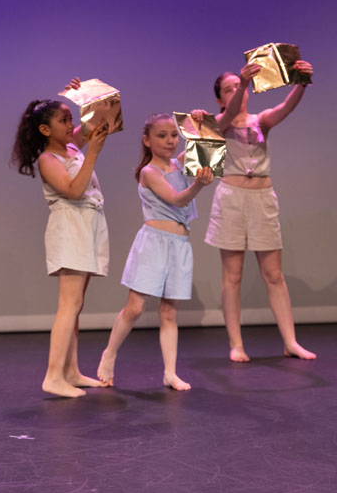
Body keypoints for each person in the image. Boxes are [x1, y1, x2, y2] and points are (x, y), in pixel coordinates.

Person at [198, 61, 316, 362]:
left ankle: (290, 341)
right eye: (229, 89)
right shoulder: (218, 122)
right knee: (233, 276)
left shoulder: (260, 121)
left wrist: (301, 83)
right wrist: (243, 83)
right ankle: (236, 344)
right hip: (232, 200)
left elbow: (285, 109)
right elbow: (227, 117)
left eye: (239, 87)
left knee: (274, 274)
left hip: (262, 198)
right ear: (220, 99)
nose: (237, 92)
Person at [97, 113, 213, 390]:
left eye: (173, 135)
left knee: (169, 312)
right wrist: (198, 184)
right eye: (162, 136)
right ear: (147, 141)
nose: (170, 140)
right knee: (135, 308)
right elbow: (176, 199)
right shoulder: (149, 172)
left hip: (179, 245)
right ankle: (109, 354)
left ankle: (170, 373)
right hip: (154, 244)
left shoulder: (180, 163)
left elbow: (209, 143)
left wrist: (201, 122)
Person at [11, 78, 112, 398]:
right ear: (45, 130)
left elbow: (101, 116)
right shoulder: (48, 160)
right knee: (69, 304)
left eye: (71, 118)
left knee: (76, 305)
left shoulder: (70, 147)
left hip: (87, 226)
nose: (72, 125)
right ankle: (53, 376)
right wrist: (92, 153)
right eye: (64, 120)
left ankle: (71, 371)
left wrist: (83, 95)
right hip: (70, 229)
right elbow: (73, 190)